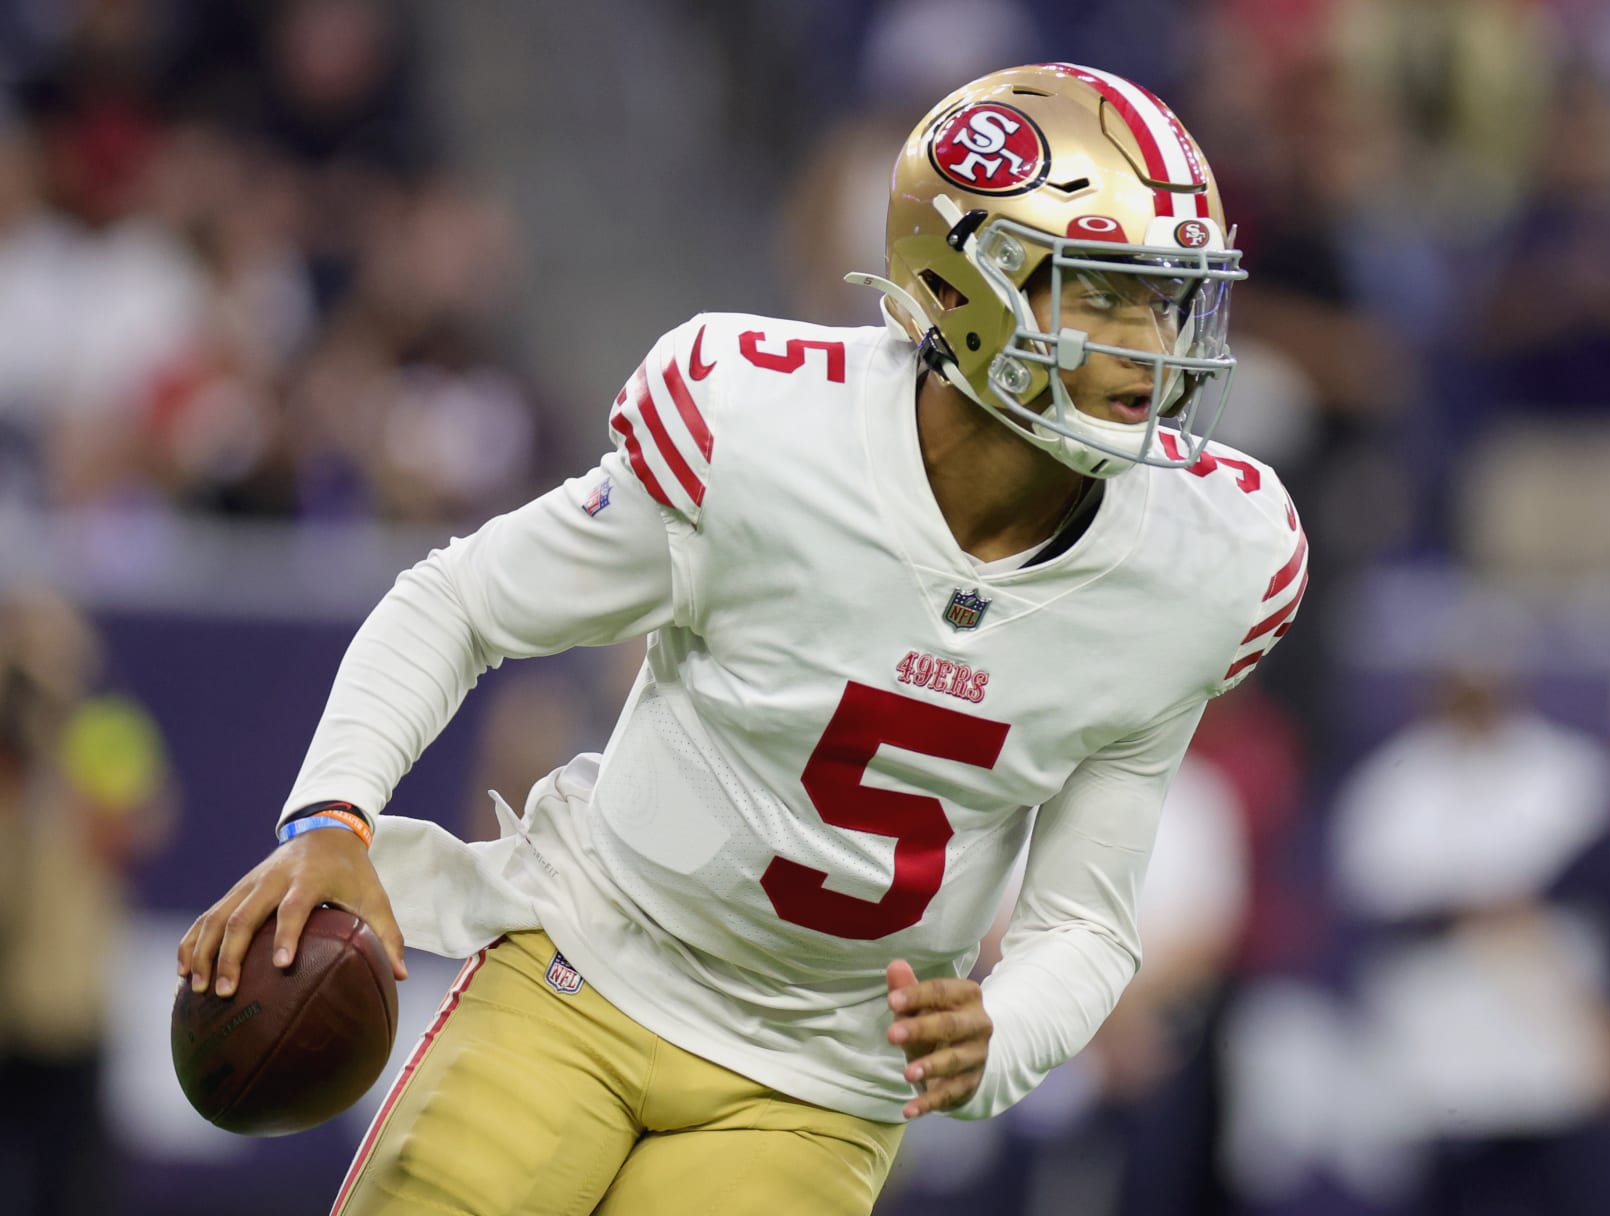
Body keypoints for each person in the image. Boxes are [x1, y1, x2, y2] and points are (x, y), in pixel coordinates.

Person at [177, 62, 1306, 1216]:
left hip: (820, 1076)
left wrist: (999, 1033)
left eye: (1167, 298)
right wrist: (334, 814)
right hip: (590, 961)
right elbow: (460, 600)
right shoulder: (765, 430)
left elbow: (1085, 923)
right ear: (966, 284)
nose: (1150, 341)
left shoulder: (1205, 562)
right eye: (1104, 292)